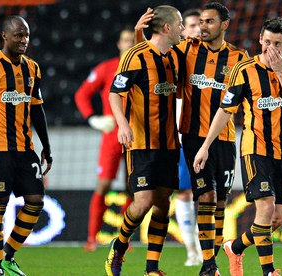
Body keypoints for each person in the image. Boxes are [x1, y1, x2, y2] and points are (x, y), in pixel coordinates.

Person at [135, 3, 249, 275]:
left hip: (225, 138)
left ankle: (213, 259)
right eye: (201, 22)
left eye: (210, 22)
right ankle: (208, 265)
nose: (203, 27)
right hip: (193, 137)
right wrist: (141, 36)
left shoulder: (238, 58)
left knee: (221, 200)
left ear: (224, 25)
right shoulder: (187, 49)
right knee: (206, 197)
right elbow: (153, 57)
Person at [193, 17, 282, 276]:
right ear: (260, 40)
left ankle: (235, 246)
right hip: (254, 150)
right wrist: (205, 145)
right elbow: (225, 110)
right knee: (265, 207)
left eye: (277, 44)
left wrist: (281, 72)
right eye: (267, 42)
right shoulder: (244, 70)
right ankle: (269, 271)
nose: (271, 49)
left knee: (277, 219)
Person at [105, 5, 184, 276]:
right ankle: (119, 246)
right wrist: (122, 124)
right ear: (166, 28)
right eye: (180, 24)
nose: (183, 29)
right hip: (141, 142)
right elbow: (115, 94)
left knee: (163, 203)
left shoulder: (174, 57)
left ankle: (152, 268)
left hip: (170, 144)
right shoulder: (134, 57)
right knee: (143, 203)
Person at [0, 15, 53, 276]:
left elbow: (38, 110)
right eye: (18, 35)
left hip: (25, 149)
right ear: (5, 36)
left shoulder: (33, 68)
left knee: (36, 201)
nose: (23, 40)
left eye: (26, 35)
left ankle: (8, 256)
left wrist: (47, 147)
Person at [74, 29, 135, 252]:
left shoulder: (144, 67)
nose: (129, 44)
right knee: (104, 184)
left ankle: (124, 241)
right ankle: (92, 239)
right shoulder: (107, 68)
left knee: (133, 188)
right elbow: (81, 94)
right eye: (126, 40)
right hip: (112, 134)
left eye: (133, 40)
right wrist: (93, 119)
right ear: (119, 44)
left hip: (137, 135)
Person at [174, 8, 203, 267]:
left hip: (208, 136)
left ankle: (205, 247)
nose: (197, 29)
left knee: (208, 194)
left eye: (201, 25)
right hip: (181, 137)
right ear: (183, 30)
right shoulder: (176, 56)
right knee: (183, 193)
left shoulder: (215, 59)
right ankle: (192, 250)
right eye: (192, 24)